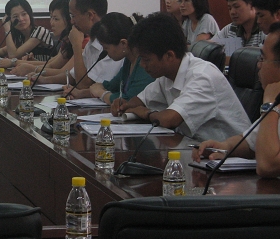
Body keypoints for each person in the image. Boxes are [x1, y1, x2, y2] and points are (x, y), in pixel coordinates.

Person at [112, 12, 250, 141]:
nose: (142, 65)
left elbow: (169, 120)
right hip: (199, 148)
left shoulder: (202, 77)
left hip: (230, 155)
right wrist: (124, 105)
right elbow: (141, 100)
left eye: (146, 59)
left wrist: (146, 113)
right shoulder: (167, 76)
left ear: (169, 56)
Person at [193, 22, 280, 178]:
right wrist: (224, 147)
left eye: (263, 58)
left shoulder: (272, 103)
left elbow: (267, 166)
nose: (258, 65)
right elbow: (250, 142)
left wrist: (269, 106)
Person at [86, 13, 155, 105]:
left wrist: (102, 94)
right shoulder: (129, 60)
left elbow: (130, 99)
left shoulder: (144, 63)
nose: (105, 52)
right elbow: (111, 86)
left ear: (123, 43)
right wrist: (80, 93)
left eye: (106, 48)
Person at [0, 0, 54, 68]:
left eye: (24, 14)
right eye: (15, 16)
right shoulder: (20, 35)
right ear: (10, 19)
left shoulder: (40, 31)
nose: (21, 19)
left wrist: (7, 29)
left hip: (47, 72)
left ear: (29, 14)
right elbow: (4, 50)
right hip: (30, 72)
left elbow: (13, 55)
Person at [11, 0, 75, 77]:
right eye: (51, 17)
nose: (51, 23)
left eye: (56, 19)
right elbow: (50, 64)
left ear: (70, 20)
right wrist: (30, 64)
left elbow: (64, 73)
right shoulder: (66, 42)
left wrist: (17, 64)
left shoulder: (81, 42)